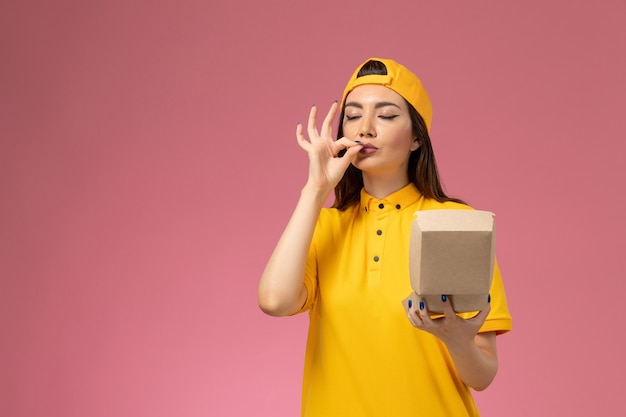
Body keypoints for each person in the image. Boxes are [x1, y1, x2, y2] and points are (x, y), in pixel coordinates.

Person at [258, 57, 512, 417]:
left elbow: (482, 375)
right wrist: (315, 190)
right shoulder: (324, 226)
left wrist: (457, 340)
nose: (365, 128)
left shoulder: (456, 224)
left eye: (387, 115)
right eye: (353, 115)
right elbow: (274, 301)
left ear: (416, 139)